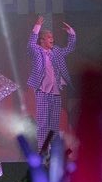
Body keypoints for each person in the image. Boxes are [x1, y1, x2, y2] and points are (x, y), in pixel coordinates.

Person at [26, 15, 76, 152]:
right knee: (43, 123)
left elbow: (70, 48)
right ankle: (43, 149)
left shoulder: (56, 51)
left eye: (52, 37)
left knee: (54, 125)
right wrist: (37, 26)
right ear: (41, 40)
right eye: (48, 37)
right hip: (42, 92)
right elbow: (31, 44)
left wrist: (71, 33)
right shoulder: (37, 51)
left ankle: (53, 150)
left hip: (55, 93)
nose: (52, 39)